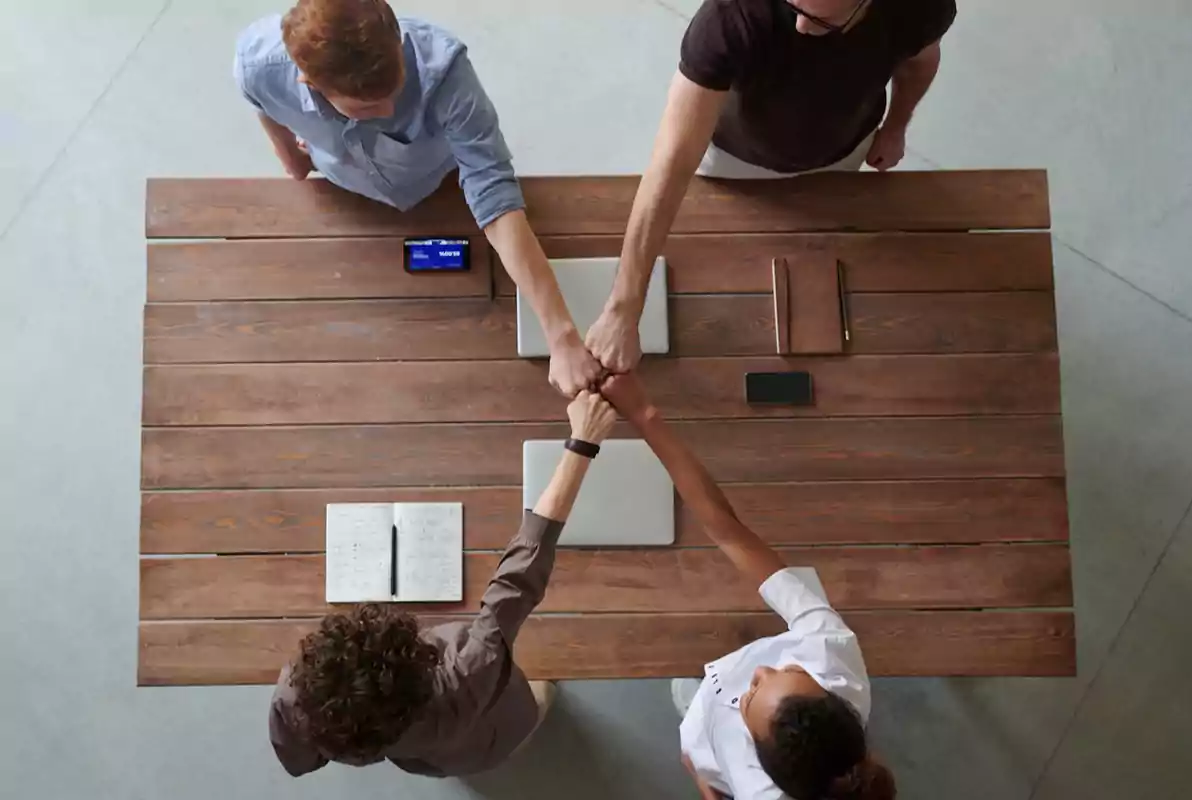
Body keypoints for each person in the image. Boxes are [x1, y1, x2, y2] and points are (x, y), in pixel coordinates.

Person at [234, 0, 601, 396]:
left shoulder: (444, 71)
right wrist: (291, 159)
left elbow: (492, 187)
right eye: (368, 107)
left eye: (396, 87)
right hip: (347, 195)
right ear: (310, 82)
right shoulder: (258, 65)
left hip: (434, 180)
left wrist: (561, 336)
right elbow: (259, 100)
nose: (392, 109)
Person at [586, 0, 957, 372]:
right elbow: (672, 160)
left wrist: (895, 128)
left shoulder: (919, 6)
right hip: (731, 157)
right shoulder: (731, 15)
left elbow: (919, 63)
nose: (799, 27)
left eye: (816, 19)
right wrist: (623, 309)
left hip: (843, 150)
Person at [267, 390, 618, 777]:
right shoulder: (464, 674)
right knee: (538, 698)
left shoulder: (296, 693)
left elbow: (298, 762)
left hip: (438, 757)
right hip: (489, 732)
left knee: (473, 749)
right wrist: (582, 442)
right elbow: (519, 574)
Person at [601, 372, 893, 800]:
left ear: (757, 759)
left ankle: (698, 716)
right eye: (788, 670)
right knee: (702, 703)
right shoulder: (830, 649)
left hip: (707, 750)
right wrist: (646, 416)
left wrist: (704, 781)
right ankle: (704, 705)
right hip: (713, 738)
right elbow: (729, 532)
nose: (761, 670)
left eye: (751, 694)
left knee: (696, 724)